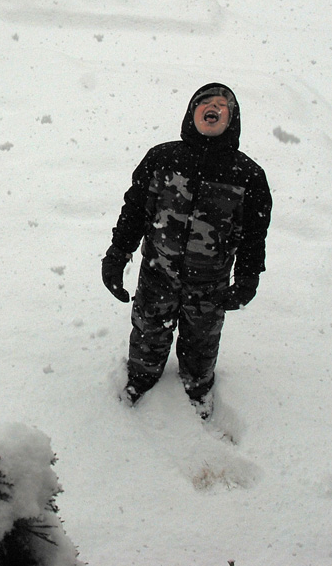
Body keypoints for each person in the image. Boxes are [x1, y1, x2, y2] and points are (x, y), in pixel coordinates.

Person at [101, 83, 272, 419]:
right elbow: (134, 210)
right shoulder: (162, 158)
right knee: (149, 329)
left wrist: (248, 276)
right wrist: (117, 254)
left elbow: (255, 233)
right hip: (157, 272)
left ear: (232, 118)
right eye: (204, 102)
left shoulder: (248, 175)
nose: (213, 108)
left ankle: (197, 384)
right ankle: (142, 377)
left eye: (222, 105)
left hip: (210, 283)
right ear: (191, 113)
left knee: (201, 341)